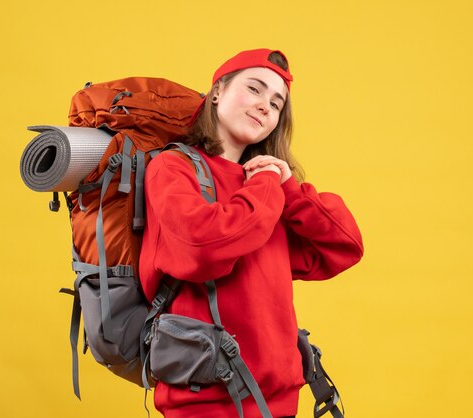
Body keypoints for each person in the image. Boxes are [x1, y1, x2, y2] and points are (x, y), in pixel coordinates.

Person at [139, 48, 364, 418]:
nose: (265, 106)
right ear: (217, 92)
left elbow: (344, 246)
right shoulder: (172, 168)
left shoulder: (269, 188)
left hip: (280, 402)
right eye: (255, 89)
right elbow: (205, 248)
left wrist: (289, 187)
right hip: (206, 407)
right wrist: (265, 184)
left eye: (276, 104)